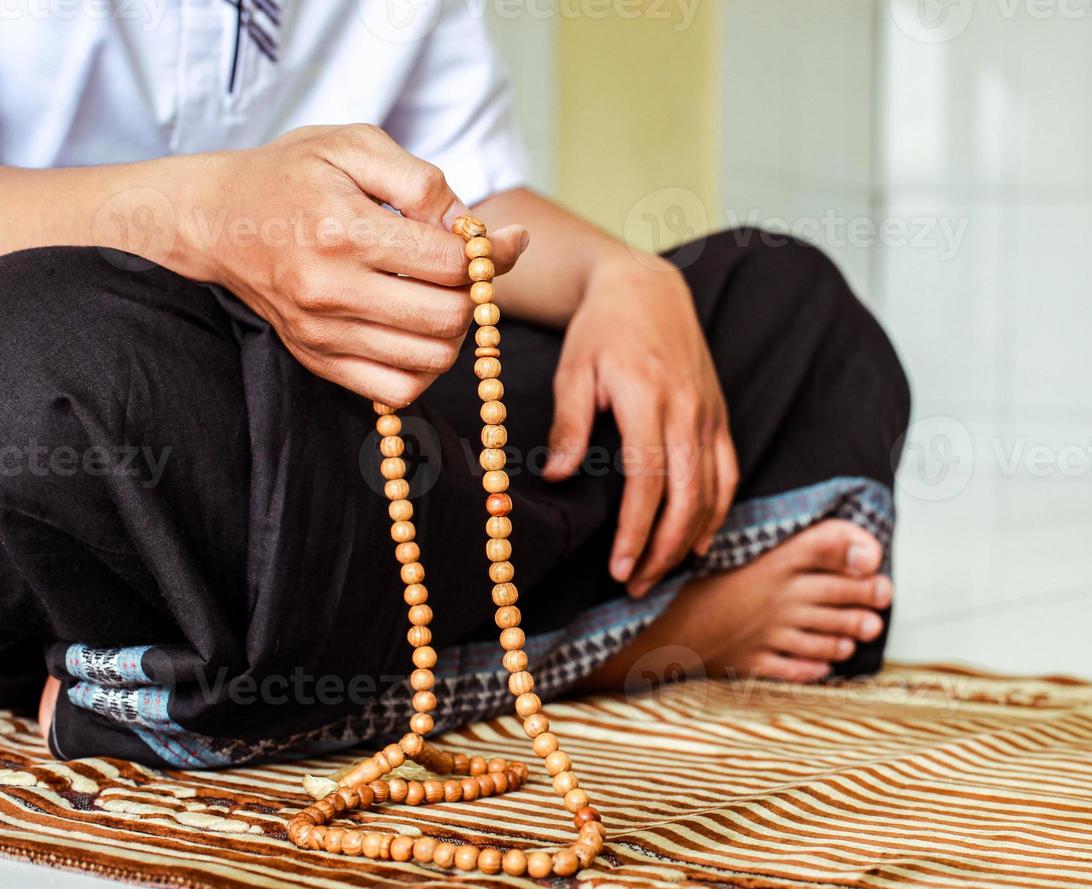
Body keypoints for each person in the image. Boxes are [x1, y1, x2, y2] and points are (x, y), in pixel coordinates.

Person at [0, 2, 910, 767]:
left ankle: (246, 679)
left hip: (320, 405)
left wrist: (618, 276)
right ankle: (619, 644)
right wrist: (207, 219)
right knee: (52, 357)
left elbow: (460, 204)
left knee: (773, 300)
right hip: (106, 383)